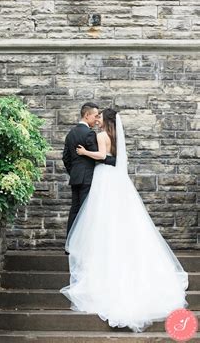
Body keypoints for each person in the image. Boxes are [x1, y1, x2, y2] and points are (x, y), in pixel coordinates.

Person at [60, 108, 189, 333]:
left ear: (106, 120)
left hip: (103, 178)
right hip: (116, 180)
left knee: (101, 217)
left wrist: (84, 153)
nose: (97, 119)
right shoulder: (116, 137)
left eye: (100, 117)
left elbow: (101, 156)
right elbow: (113, 158)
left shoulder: (101, 136)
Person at [62, 102, 116, 254]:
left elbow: (65, 158)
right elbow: (100, 157)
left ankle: (69, 245)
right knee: (87, 212)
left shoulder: (70, 133)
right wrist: (116, 161)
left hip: (76, 178)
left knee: (75, 210)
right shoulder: (90, 134)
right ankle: (83, 246)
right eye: (95, 115)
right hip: (88, 178)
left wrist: (74, 172)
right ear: (87, 115)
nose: (97, 118)